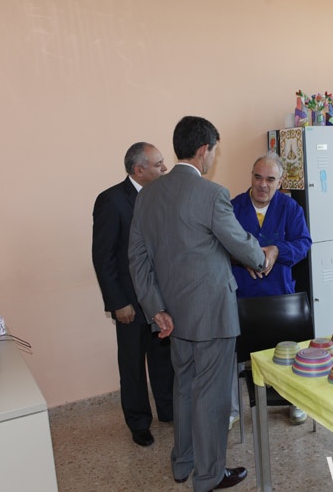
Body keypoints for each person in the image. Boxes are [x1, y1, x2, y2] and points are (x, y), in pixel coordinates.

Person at [129, 116, 278, 492]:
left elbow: (138, 259)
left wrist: (155, 308)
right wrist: (262, 256)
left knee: (184, 388)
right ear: (203, 150)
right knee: (211, 396)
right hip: (212, 313)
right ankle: (209, 475)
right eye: (213, 150)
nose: (212, 157)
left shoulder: (147, 195)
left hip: (172, 315)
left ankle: (183, 462)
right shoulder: (211, 194)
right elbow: (240, 244)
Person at [91, 142, 174, 448]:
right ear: (139, 170)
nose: (164, 168)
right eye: (158, 164)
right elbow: (103, 257)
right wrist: (118, 303)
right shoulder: (111, 200)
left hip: (161, 298)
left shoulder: (162, 196)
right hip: (130, 302)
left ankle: (168, 410)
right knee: (133, 366)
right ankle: (139, 423)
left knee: (163, 360)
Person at [229, 153, 312, 427]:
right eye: (258, 177)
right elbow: (219, 246)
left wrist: (277, 250)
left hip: (280, 297)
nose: (263, 184)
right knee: (235, 355)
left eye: (270, 179)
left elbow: (304, 243)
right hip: (243, 298)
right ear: (251, 177)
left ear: (279, 182)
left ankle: (296, 401)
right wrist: (241, 258)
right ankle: (233, 409)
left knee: (289, 354)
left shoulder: (290, 208)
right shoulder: (233, 208)